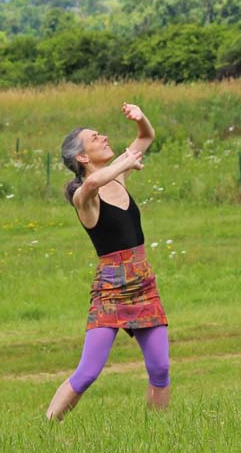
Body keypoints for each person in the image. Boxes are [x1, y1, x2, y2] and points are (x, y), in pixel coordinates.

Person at [46, 104, 170, 420]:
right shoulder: (84, 197)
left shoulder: (119, 176)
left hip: (143, 282)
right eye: (94, 137)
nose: (103, 137)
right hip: (111, 289)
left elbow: (146, 137)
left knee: (160, 367)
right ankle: (48, 426)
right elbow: (89, 185)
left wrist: (141, 118)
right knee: (88, 372)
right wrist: (123, 163)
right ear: (82, 158)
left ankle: (160, 432)